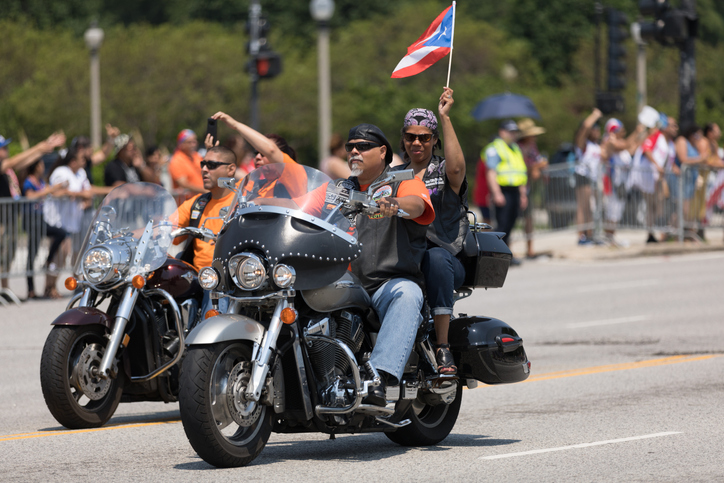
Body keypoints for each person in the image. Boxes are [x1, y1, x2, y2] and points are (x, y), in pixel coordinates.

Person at [293, 123, 434, 406]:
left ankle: (379, 378)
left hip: (386, 282)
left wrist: (396, 203)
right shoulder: (336, 190)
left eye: (363, 146)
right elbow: (297, 208)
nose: (354, 151)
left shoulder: (402, 180)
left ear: (382, 152)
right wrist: (252, 206)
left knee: (408, 294)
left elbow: (418, 204)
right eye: (350, 147)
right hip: (342, 282)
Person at [396, 87, 465, 375]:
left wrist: (445, 118)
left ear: (434, 140)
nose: (417, 143)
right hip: (403, 257)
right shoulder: (394, 175)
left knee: (435, 258)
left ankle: (442, 345)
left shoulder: (442, 170)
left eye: (424, 138)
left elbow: (457, 169)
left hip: (445, 259)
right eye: (411, 137)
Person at [173, 146, 238, 316]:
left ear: (231, 169)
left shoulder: (242, 202)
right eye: (203, 164)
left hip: (224, 280)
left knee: (211, 323)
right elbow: (164, 226)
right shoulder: (197, 203)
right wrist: (126, 235)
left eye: (212, 165)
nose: (203, 169)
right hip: (194, 277)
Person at [1, 131, 66, 298]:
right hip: (2, 218)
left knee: (8, 254)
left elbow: (25, 161)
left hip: (10, 217)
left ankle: (5, 289)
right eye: (3, 147)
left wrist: (44, 148)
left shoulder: (7, 169)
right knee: (3, 254)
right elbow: (16, 161)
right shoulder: (3, 166)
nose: (6, 150)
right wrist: (40, 147)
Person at [21, 158, 68, 299]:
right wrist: (50, 189)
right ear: (35, 167)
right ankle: (31, 290)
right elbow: (30, 197)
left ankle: (48, 260)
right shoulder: (28, 182)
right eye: (41, 164)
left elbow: (50, 192)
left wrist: (62, 190)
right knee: (32, 254)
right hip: (31, 220)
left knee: (61, 233)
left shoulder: (41, 182)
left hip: (40, 219)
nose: (43, 167)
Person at [485, 119, 528, 258]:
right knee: (502, 225)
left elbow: (520, 172)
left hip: (515, 191)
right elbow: (491, 172)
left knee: (511, 223)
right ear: (502, 132)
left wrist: (522, 194)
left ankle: (504, 253)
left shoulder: (515, 148)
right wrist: (497, 193)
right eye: (510, 132)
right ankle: (496, 253)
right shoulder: (494, 148)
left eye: (515, 132)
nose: (513, 135)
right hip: (503, 191)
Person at [517, 118, 548, 258]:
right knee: (512, 219)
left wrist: (536, 167)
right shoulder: (518, 147)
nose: (534, 137)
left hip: (527, 187)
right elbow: (522, 166)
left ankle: (530, 249)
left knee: (529, 218)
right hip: (517, 186)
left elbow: (538, 162)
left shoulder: (533, 147)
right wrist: (536, 167)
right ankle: (508, 248)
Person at [573, 108, 603, 245]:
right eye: (594, 129)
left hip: (593, 178)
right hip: (582, 175)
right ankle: (581, 236)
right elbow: (585, 126)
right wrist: (595, 115)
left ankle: (590, 234)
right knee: (583, 206)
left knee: (591, 208)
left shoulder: (596, 146)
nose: (597, 131)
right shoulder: (583, 144)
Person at [169, 129, 205, 194]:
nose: (193, 144)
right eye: (190, 142)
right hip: (188, 201)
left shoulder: (197, 156)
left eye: (195, 141)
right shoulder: (176, 160)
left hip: (202, 198)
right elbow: (183, 184)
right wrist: (204, 190)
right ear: (181, 144)